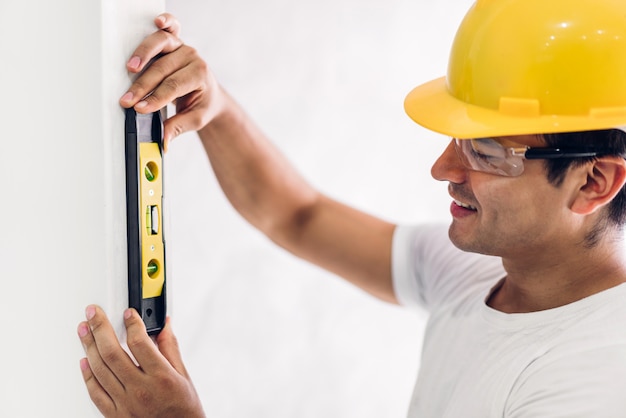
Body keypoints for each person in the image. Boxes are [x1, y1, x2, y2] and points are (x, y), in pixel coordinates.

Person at [77, 0, 626, 416]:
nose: (443, 169)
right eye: (457, 139)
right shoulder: (479, 272)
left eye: (484, 151)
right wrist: (213, 106)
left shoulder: (589, 382)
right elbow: (297, 215)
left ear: (594, 181)